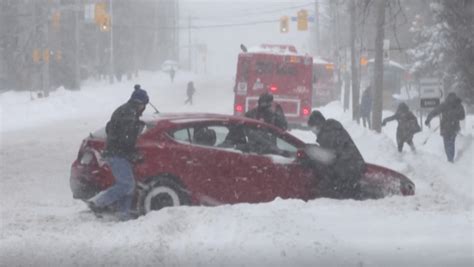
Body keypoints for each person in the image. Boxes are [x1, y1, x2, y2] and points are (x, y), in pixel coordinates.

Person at [87, 84, 149, 221]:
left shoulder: (124, 110)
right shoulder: (129, 114)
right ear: (140, 103)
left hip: (116, 152)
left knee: (128, 184)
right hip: (117, 153)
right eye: (144, 105)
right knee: (126, 184)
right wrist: (132, 149)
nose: (144, 109)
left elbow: (110, 128)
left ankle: (123, 213)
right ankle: (97, 202)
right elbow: (126, 137)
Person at [307, 110, 366, 199]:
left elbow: (329, 158)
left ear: (317, 125)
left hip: (347, 170)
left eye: (312, 128)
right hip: (353, 165)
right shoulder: (331, 128)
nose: (312, 131)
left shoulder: (327, 134)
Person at [425, 92, 465, 162]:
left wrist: (428, 119)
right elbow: (462, 116)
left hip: (445, 127)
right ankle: (451, 159)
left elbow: (434, 112)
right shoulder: (458, 105)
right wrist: (455, 117)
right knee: (451, 143)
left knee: (447, 144)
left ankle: (449, 158)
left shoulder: (444, 105)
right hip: (454, 127)